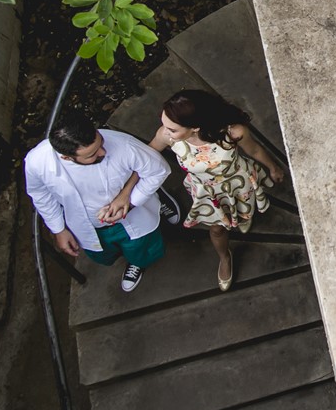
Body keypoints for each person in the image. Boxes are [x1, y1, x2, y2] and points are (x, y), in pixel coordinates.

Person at [25, 113, 181, 292]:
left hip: (134, 216)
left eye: (100, 143)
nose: (103, 152)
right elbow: (40, 194)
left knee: (141, 247)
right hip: (88, 225)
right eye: (92, 155)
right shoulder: (37, 162)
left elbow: (157, 171)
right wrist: (58, 229)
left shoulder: (123, 145)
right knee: (104, 252)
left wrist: (130, 202)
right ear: (67, 157)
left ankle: (138, 262)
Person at [149, 90, 285, 292]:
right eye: (165, 123)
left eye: (173, 128)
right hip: (207, 193)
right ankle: (224, 257)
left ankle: (242, 218)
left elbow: (254, 150)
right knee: (217, 229)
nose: (166, 131)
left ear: (195, 127)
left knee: (244, 208)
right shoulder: (167, 137)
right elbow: (147, 156)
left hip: (237, 182)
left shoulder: (232, 132)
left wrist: (273, 167)